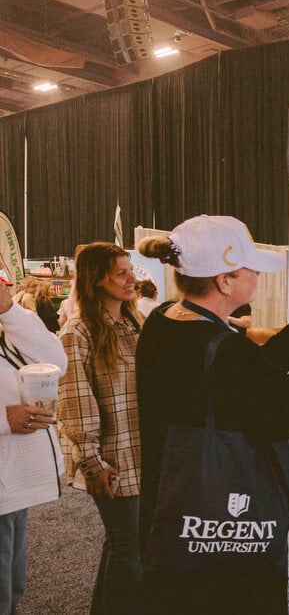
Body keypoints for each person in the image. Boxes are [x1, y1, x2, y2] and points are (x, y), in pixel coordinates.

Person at [134, 215, 289, 613]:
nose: (258, 275)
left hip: (171, 511)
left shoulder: (164, 321)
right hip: (222, 537)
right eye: (251, 268)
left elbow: (242, 379)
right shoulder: (224, 350)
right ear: (224, 281)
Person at [57, 242, 145, 613]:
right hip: (111, 458)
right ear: (96, 279)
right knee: (130, 549)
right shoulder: (77, 332)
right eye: (121, 272)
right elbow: (74, 404)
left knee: (123, 544)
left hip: (140, 450)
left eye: (131, 270)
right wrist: (91, 461)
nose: (132, 278)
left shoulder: (133, 322)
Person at [0, 283, 68, 614]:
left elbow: (57, 363)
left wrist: (10, 312)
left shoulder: (9, 330)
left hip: (14, 487)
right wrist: (4, 418)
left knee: (12, 587)